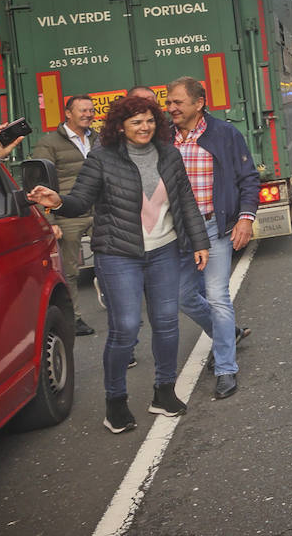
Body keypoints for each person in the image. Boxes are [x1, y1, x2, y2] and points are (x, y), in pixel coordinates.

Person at [27, 95, 208, 434]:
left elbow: (185, 201)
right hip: (117, 253)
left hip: (164, 251)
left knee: (167, 324)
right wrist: (57, 202)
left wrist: (200, 242)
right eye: (137, 122)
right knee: (125, 328)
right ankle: (115, 403)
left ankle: (164, 392)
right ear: (120, 126)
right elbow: (81, 200)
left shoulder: (169, 155)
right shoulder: (102, 158)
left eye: (150, 120)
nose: (145, 127)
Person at [165, 77, 260, 401]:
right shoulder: (164, 138)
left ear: (199, 103)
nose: (171, 107)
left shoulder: (224, 135)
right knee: (182, 297)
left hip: (214, 228)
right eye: (169, 102)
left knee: (217, 296)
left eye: (178, 102)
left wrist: (245, 218)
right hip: (178, 234)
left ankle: (225, 368)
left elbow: (248, 178)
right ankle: (227, 333)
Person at [31, 94, 100, 335]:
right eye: (82, 110)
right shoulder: (49, 143)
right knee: (69, 271)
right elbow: (41, 185)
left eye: (91, 110)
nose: (88, 114)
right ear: (68, 113)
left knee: (113, 260)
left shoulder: (99, 139)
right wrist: (50, 219)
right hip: (68, 214)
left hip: (99, 211)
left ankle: (113, 302)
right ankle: (75, 319)